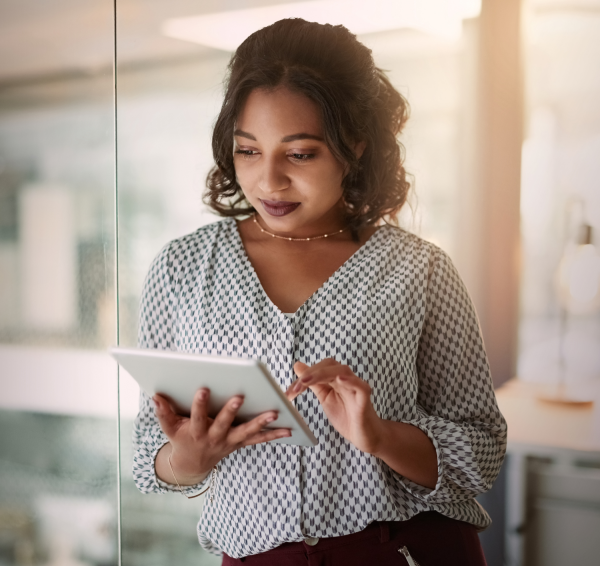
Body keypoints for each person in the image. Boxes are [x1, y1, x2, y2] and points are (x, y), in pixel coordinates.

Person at [133, 18, 507, 566]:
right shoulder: (183, 268)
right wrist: (189, 458)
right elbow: (150, 457)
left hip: (402, 551)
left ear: (353, 147)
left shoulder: (418, 270)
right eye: (248, 151)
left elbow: (480, 451)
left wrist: (379, 435)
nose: (268, 181)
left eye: (300, 153)